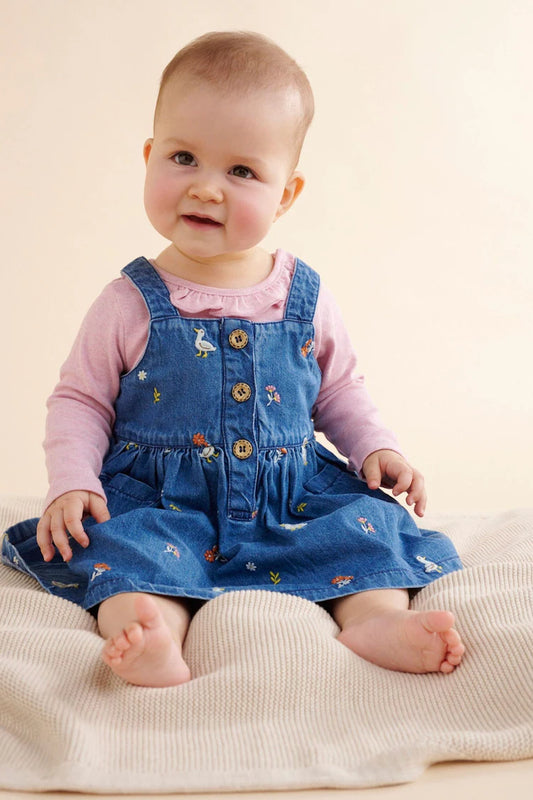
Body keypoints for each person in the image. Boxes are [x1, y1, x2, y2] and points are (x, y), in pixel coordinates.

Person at [2, 31, 464, 687]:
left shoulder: (304, 296)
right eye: (183, 157)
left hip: (290, 493)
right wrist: (73, 481)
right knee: (129, 555)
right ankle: (150, 630)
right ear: (148, 157)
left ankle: (374, 620)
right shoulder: (130, 300)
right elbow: (80, 399)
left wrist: (374, 448)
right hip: (164, 501)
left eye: (241, 171)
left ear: (286, 194)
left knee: (369, 532)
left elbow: (338, 391)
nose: (207, 189)